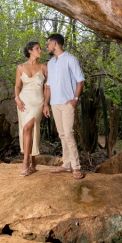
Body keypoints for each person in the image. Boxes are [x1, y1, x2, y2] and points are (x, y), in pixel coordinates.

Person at [43, 33, 86, 180]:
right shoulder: (50, 63)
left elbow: (80, 80)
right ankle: (66, 164)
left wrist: (75, 99)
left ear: (55, 44)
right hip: (55, 103)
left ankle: (76, 167)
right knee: (62, 135)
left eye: (48, 44)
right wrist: (46, 104)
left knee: (68, 134)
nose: (46, 47)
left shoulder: (70, 59)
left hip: (68, 103)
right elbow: (48, 85)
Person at [14, 41, 47, 177]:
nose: (40, 51)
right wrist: (17, 98)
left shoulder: (44, 67)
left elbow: (47, 87)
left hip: (38, 102)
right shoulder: (21, 67)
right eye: (37, 49)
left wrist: (46, 104)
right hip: (24, 101)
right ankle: (32, 161)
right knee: (26, 129)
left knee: (29, 128)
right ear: (30, 51)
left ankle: (25, 162)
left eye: (40, 48)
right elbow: (17, 86)